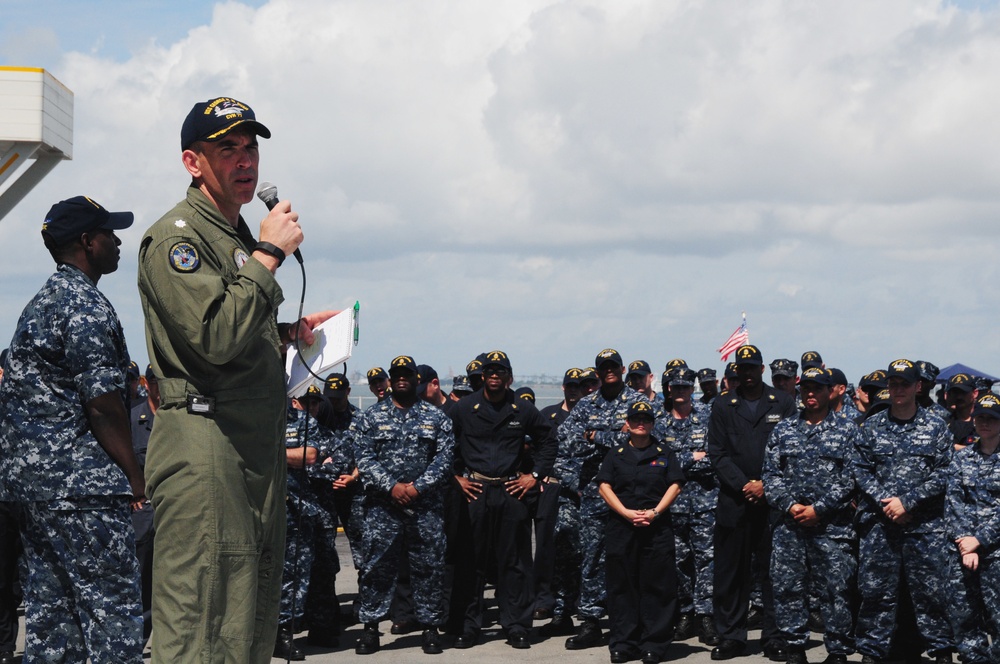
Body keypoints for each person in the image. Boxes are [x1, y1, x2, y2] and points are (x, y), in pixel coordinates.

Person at [137, 96, 334, 662]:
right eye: (228, 149)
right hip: (206, 446)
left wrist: (284, 333)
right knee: (204, 622)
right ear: (192, 162)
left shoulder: (232, 235)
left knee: (247, 617)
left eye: (251, 148)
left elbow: (232, 330)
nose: (246, 161)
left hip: (247, 446)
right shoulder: (177, 239)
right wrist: (269, 254)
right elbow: (213, 338)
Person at [0, 196, 144, 661]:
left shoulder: (39, 303)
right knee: (113, 617)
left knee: (52, 619)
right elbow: (102, 405)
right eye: (109, 233)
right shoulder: (84, 306)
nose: (117, 241)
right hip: (84, 493)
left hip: (34, 492)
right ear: (87, 242)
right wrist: (133, 473)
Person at [852, 359, 967, 664]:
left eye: (905, 383)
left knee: (931, 593)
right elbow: (860, 470)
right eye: (893, 384)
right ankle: (872, 652)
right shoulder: (872, 426)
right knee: (876, 593)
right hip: (880, 525)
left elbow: (946, 471)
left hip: (924, 526)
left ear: (918, 386)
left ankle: (941, 651)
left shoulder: (936, 427)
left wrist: (909, 501)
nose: (898, 389)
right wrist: (888, 502)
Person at [352, 356, 455, 655]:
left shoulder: (436, 418)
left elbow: (445, 459)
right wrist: (392, 487)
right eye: (396, 374)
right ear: (390, 379)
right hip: (383, 509)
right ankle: (371, 629)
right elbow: (364, 458)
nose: (401, 379)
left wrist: (417, 488)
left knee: (429, 568)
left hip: (425, 508)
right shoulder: (370, 418)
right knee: (376, 569)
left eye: (406, 375)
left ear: (416, 380)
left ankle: (430, 628)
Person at [451, 350, 554, 649]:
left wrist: (534, 475)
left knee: (516, 564)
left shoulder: (521, 409)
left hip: (511, 491)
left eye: (501, 371)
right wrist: (454, 477)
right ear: (483, 375)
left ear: (509, 377)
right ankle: (469, 626)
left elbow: (548, 440)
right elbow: (443, 443)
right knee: (471, 562)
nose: (495, 375)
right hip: (475, 491)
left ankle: (517, 625)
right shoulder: (464, 407)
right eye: (490, 370)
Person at [762, 367, 859, 664]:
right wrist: (791, 506)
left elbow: (852, 477)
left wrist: (820, 508)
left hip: (832, 525)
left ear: (830, 391)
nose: (811, 394)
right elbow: (770, 474)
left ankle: (838, 650)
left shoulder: (849, 429)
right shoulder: (784, 429)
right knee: (788, 586)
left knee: (835, 589)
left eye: (817, 389)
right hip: (790, 525)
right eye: (806, 389)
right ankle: (794, 646)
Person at [707, 344, 796, 661]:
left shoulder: (783, 402)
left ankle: (774, 637)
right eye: (741, 368)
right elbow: (716, 453)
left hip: (772, 503)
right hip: (734, 501)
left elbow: (791, 451)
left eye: (752, 367)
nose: (746, 373)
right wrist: (744, 484)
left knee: (774, 575)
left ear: (761, 369)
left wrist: (765, 486)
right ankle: (731, 636)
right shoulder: (722, 405)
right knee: (731, 574)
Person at [557, 348, 648, 650]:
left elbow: (647, 438)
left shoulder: (640, 402)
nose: (608, 371)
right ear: (596, 373)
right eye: (603, 367)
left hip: (632, 493)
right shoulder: (585, 404)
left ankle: (634, 621)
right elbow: (567, 440)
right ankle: (591, 621)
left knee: (632, 557)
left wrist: (595, 436)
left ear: (622, 370)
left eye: (613, 366)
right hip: (595, 494)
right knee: (592, 557)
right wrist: (613, 436)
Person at [597, 400, 684, 664]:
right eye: (636, 419)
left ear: (652, 423)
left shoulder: (664, 452)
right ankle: (624, 643)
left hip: (656, 527)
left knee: (657, 587)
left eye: (646, 419)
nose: (641, 423)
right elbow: (604, 486)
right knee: (622, 586)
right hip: (622, 527)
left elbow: (676, 485)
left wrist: (655, 512)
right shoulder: (616, 453)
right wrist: (625, 512)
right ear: (628, 423)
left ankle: (653, 645)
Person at [654, 368, 719, 646]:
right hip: (673, 504)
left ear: (693, 389)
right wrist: (692, 456)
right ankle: (684, 612)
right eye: (675, 387)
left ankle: (706, 616)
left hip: (705, 502)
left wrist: (680, 462)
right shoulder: (658, 424)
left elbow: (715, 458)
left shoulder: (708, 418)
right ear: (669, 389)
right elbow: (657, 463)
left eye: (685, 387)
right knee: (678, 561)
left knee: (707, 560)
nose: (680, 391)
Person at [946, 393, 1000, 664]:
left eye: (991, 418)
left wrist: (979, 540)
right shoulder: (963, 458)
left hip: (995, 551)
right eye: (980, 418)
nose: (985, 423)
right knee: (965, 617)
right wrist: (965, 540)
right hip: (964, 550)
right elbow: (953, 502)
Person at [131, 364, 160, 644]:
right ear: (146, 383)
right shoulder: (133, 418)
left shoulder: (182, 417)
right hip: (144, 514)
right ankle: (136, 643)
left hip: (176, 513)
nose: (159, 386)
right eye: (154, 381)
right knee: (141, 584)